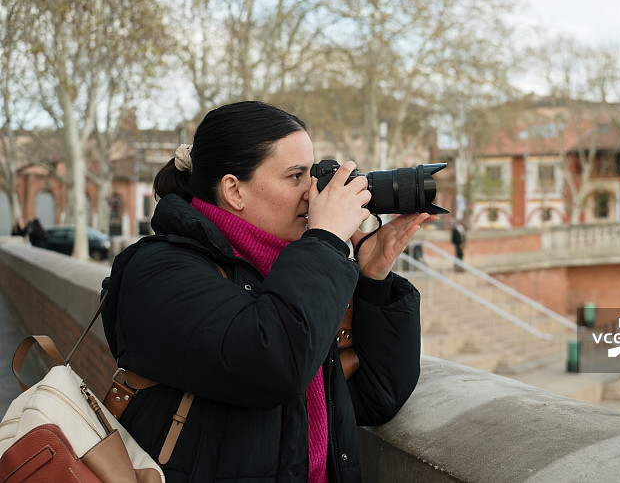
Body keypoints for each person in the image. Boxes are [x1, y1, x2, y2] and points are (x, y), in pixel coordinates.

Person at [100, 101, 436, 482]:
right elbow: (273, 362)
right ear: (234, 191)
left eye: (312, 176)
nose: (313, 194)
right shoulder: (161, 272)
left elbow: (378, 396)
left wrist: (374, 279)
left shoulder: (285, 272)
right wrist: (324, 241)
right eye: (295, 177)